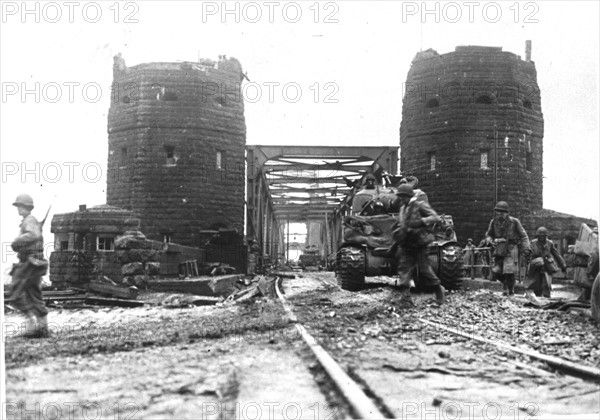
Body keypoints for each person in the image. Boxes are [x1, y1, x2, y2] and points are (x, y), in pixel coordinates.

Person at [394, 184, 445, 304]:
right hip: (407, 243)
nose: (401, 199)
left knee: (424, 269)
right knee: (404, 268)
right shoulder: (402, 209)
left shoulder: (420, 205)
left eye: (403, 196)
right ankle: (405, 298)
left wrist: (422, 221)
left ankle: (439, 289)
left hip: (420, 242)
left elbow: (435, 217)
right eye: (400, 197)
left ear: (408, 196)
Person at [9, 194, 50, 338]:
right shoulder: (29, 220)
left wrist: (17, 241)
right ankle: (42, 328)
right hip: (32, 262)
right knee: (34, 294)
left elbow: (34, 234)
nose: (18, 209)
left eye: (20, 206)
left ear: (26, 207)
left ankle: (33, 324)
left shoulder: (30, 220)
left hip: (30, 263)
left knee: (15, 293)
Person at [485, 201, 531, 296]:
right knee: (496, 271)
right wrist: (489, 240)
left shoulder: (514, 222)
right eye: (498, 211)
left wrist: (526, 248)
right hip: (499, 249)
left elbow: (523, 236)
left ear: (507, 213)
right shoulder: (493, 222)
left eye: (503, 212)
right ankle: (505, 283)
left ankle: (510, 290)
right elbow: (488, 234)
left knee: (509, 271)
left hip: (511, 248)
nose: (500, 214)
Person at [524, 227, 566, 298]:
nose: (542, 238)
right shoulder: (533, 243)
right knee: (536, 284)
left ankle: (547, 297)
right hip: (536, 266)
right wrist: (527, 263)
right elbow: (528, 254)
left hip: (547, 266)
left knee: (546, 283)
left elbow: (557, 254)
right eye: (540, 236)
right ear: (538, 236)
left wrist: (563, 265)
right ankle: (537, 298)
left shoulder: (550, 243)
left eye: (544, 236)